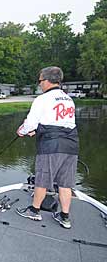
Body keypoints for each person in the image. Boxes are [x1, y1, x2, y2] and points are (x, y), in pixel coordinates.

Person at [15, 66, 79, 229]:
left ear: (48, 81)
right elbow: (60, 123)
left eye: (40, 81)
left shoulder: (42, 99)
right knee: (65, 183)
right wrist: (37, 130)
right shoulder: (68, 99)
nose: (40, 84)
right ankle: (65, 216)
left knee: (42, 179)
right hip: (71, 145)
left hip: (51, 146)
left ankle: (34, 211)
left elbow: (29, 123)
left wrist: (23, 131)